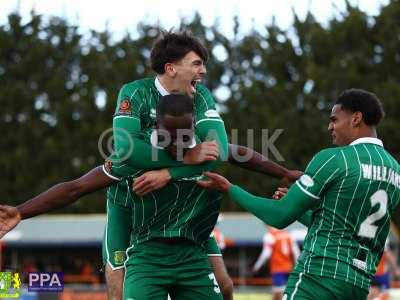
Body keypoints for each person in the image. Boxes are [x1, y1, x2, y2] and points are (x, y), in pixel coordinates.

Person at [0, 94, 300, 299]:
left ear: (194, 128)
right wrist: (22, 212)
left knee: (225, 285)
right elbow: (76, 188)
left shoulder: (207, 149)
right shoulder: (135, 156)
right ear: (157, 129)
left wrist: (283, 172)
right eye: (169, 135)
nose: (177, 142)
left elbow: (242, 155)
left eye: (184, 135)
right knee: (117, 292)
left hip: (190, 235)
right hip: (139, 233)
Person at [198, 88, 400, 300]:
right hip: (358, 284)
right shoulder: (394, 169)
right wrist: (298, 209)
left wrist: (230, 188)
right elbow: (337, 225)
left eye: (334, 119)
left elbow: (278, 216)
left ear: (356, 118)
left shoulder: (335, 159)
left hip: (317, 277)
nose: (330, 127)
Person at [252, 227, 299, 300]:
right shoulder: (288, 235)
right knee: (287, 291)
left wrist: (257, 266)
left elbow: (266, 253)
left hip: (278, 269)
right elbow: (296, 252)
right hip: (289, 269)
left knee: (279, 293)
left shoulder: (270, 236)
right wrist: (297, 266)